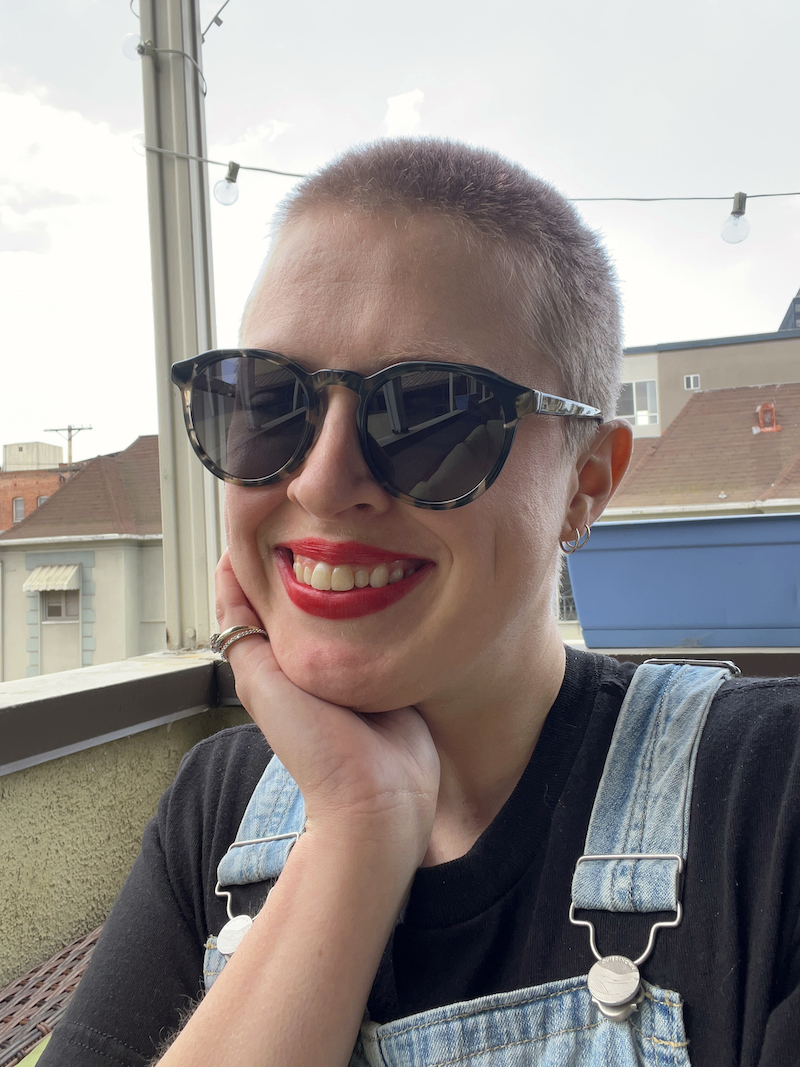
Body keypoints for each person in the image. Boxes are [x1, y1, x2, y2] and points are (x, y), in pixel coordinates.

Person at [40, 139, 800, 1067]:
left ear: (586, 482)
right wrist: (357, 825)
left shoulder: (769, 802)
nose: (322, 482)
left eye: (433, 412)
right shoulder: (219, 806)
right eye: (269, 401)